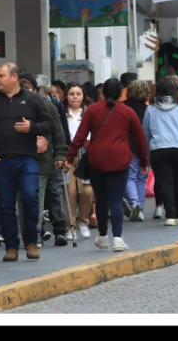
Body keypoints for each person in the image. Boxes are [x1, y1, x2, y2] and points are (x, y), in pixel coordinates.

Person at [0, 62, 54, 262]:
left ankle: (31, 242)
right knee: (6, 205)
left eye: (1, 76)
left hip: (27, 159)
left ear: (14, 77)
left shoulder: (32, 99)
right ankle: (11, 246)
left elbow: (49, 124)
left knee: (30, 197)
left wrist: (32, 127)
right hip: (1, 161)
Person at [65, 79, 149, 252]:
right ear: (120, 94)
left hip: (97, 160)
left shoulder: (92, 111)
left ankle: (102, 237)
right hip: (120, 160)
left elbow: (80, 137)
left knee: (101, 199)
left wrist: (69, 158)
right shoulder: (128, 112)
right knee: (116, 200)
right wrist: (144, 161)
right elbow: (140, 139)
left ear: (102, 93)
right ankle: (117, 239)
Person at [21, 74, 70, 247]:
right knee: (38, 197)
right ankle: (37, 234)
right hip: (35, 158)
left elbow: (59, 131)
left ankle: (60, 231)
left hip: (50, 156)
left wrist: (61, 155)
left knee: (55, 194)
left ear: (35, 89)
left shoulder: (47, 104)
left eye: (28, 87)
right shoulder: (18, 105)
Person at [143, 79, 178, 226]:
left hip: (159, 150)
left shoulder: (151, 109)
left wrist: (146, 156)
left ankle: (170, 216)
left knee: (165, 183)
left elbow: (146, 134)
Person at [62, 83, 95, 240]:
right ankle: (70, 226)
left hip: (85, 155)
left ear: (83, 96)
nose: (75, 97)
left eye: (78, 94)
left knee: (87, 191)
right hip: (68, 155)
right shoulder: (62, 113)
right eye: (71, 94)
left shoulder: (89, 111)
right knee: (70, 192)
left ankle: (83, 221)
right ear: (66, 96)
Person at [123, 80, 151, 222]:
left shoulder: (122, 108)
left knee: (130, 177)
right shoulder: (148, 109)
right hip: (145, 147)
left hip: (128, 147)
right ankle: (140, 209)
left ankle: (134, 203)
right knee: (141, 178)